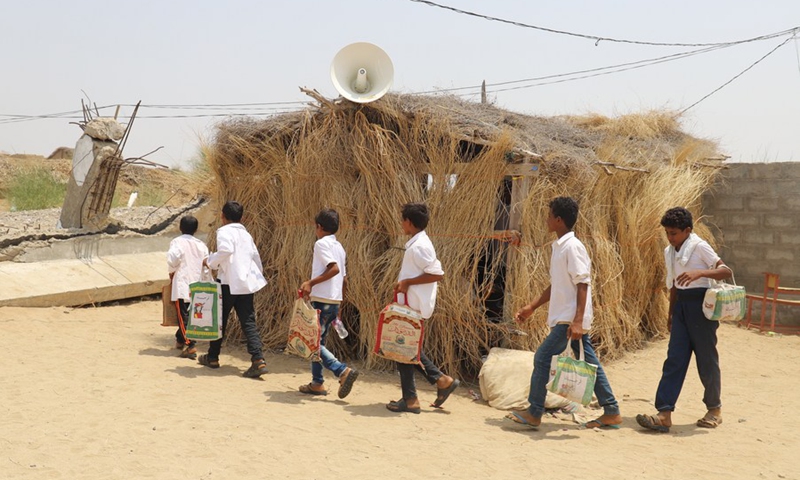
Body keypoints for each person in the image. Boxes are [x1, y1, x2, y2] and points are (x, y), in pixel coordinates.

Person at [506, 196, 621, 430]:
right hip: (566, 317)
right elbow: (557, 285)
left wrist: (577, 321)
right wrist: (532, 306)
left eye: (549, 216)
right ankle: (611, 410)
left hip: (569, 319)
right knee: (590, 361)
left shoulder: (572, 246)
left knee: (542, 357)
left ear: (558, 220)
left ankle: (535, 411)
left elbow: (583, 283)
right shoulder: (559, 247)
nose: (546, 220)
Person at [636, 207, 732, 433]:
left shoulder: (699, 247)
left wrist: (700, 273)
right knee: (674, 360)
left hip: (701, 308)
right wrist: (671, 314)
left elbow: (725, 271)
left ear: (687, 230)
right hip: (681, 308)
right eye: (667, 233)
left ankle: (714, 410)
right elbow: (674, 286)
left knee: (706, 360)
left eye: (674, 233)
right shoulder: (670, 251)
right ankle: (664, 413)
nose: (670, 237)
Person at [386, 202, 460, 414]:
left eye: (403, 220)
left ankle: (413, 399)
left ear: (408, 222)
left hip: (414, 305)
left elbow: (437, 273)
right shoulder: (417, 243)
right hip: (412, 303)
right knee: (406, 348)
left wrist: (408, 283)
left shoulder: (419, 247)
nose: (401, 224)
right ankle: (440, 381)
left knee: (403, 348)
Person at [199, 201, 269, 379]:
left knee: (219, 320)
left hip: (229, 282)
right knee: (248, 321)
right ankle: (258, 359)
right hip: (245, 283)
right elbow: (255, 257)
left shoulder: (224, 231)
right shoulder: (246, 234)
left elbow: (226, 250)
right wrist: (256, 276)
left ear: (223, 217)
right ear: (242, 217)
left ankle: (213, 357)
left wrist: (210, 261)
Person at [297, 208, 360, 399]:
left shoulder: (321, 244)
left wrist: (310, 283)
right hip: (334, 299)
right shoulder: (339, 247)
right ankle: (317, 383)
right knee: (318, 341)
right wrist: (340, 303)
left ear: (319, 227)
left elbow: (333, 269)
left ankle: (341, 371)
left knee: (312, 341)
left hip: (322, 298)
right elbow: (344, 278)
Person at [167, 215, 209, 360]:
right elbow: (206, 265)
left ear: (180, 228)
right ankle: (180, 340)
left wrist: (171, 272)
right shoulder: (201, 245)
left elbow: (173, 260)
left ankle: (190, 345)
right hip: (197, 284)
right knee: (192, 315)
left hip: (182, 284)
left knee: (182, 315)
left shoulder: (177, 242)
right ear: (196, 229)